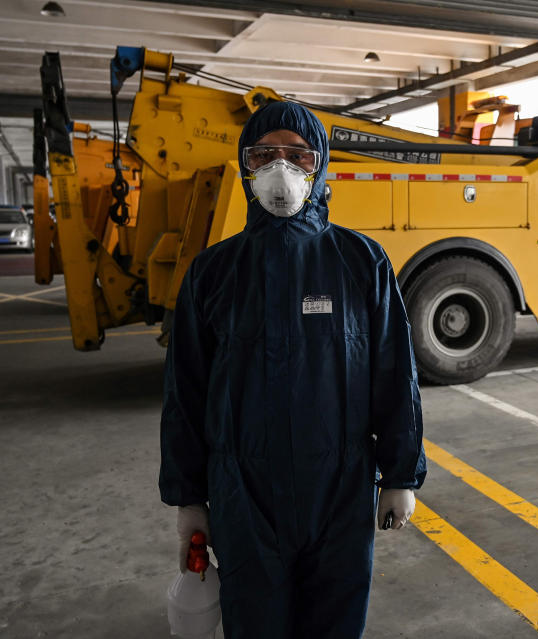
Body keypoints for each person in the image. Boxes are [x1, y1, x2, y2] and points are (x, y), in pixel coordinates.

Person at [160, 101, 427, 638]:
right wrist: (190, 498)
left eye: (297, 155)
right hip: (243, 492)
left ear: (320, 166)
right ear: (244, 166)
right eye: (264, 154)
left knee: (334, 623)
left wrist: (400, 475)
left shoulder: (361, 261)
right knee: (255, 623)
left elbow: (395, 375)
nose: (280, 169)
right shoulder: (212, 272)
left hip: (340, 490)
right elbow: (185, 392)